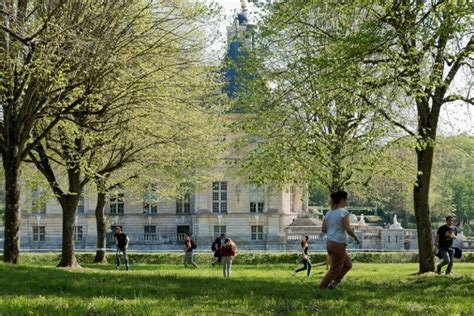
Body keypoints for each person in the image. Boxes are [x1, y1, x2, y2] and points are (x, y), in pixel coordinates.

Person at [319, 191, 360, 289]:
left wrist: (333, 227)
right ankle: (322, 287)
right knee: (335, 269)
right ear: (342, 200)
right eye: (346, 199)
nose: (347, 201)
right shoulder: (343, 212)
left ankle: (333, 285)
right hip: (338, 243)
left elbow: (324, 229)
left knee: (347, 265)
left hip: (330, 243)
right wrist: (356, 238)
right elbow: (348, 229)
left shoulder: (328, 213)